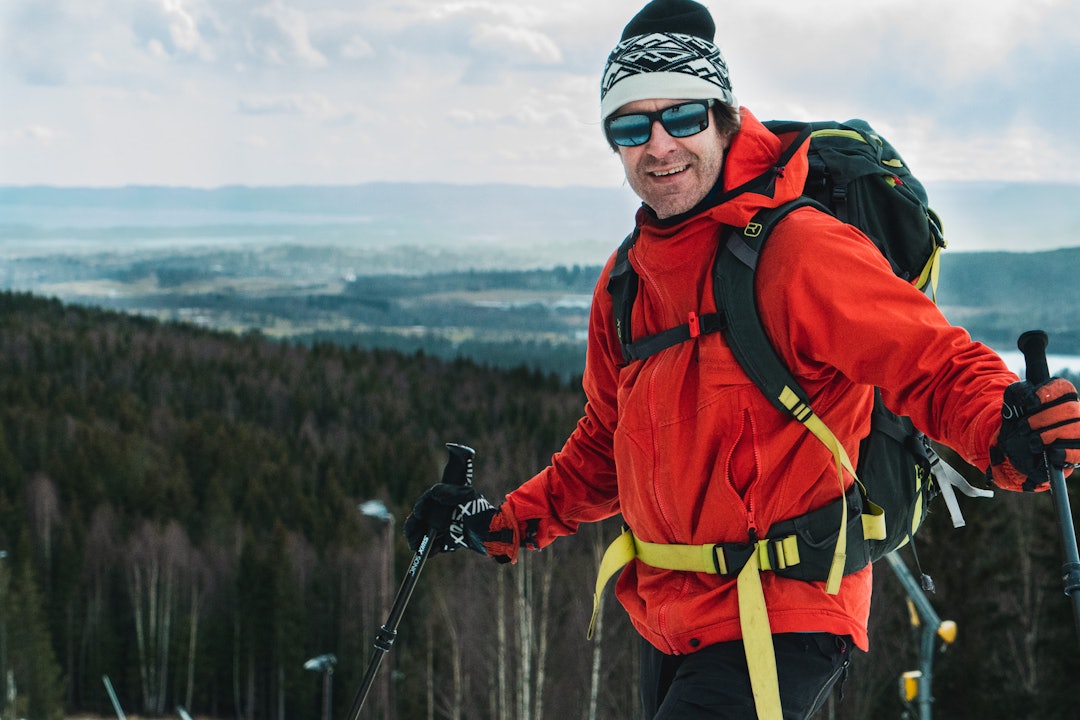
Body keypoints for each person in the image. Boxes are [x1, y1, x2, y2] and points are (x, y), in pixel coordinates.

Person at [404, 0, 1080, 717]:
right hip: (665, 618)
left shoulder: (797, 250)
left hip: (783, 611)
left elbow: (930, 360)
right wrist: (501, 522)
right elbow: (607, 446)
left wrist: (1009, 429)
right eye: (632, 126)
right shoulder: (626, 282)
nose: (659, 146)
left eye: (684, 118)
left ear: (725, 117)